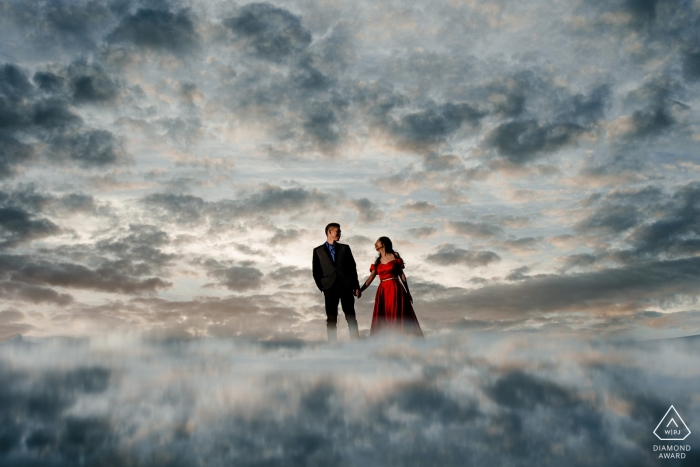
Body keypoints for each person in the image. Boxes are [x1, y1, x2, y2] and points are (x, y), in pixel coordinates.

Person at [359, 237, 423, 337]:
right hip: (383, 291)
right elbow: (370, 279)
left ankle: (399, 339)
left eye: (377, 242)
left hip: (395, 288)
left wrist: (408, 292)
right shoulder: (377, 262)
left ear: (383, 243)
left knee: (396, 314)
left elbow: (402, 275)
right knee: (384, 315)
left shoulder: (395, 256)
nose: (375, 244)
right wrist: (360, 290)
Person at [312, 223, 361, 342]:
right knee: (331, 319)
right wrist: (323, 287)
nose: (339, 234)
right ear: (329, 232)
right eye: (337, 231)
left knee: (351, 317)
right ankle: (332, 345)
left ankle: (356, 344)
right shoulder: (317, 251)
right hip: (329, 288)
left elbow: (352, 268)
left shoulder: (345, 248)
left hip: (346, 286)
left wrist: (356, 286)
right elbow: (316, 272)